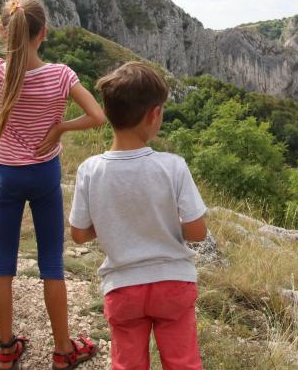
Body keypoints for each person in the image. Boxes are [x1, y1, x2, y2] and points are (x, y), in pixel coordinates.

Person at [0, 0, 106, 370]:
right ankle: (62, 351)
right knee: (51, 264)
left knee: (2, 261)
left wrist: (2, 25)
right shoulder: (61, 75)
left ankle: (7, 348)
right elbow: (97, 116)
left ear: (8, 34)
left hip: (8, 175)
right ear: (44, 33)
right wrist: (59, 129)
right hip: (44, 175)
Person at [69, 61, 207, 370]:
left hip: (123, 287)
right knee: (183, 363)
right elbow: (198, 231)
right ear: (154, 114)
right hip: (173, 283)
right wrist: (165, 223)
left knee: (127, 364)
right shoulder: (173, 166)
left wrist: (111, 224)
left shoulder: (90, 170)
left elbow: (78, 233)